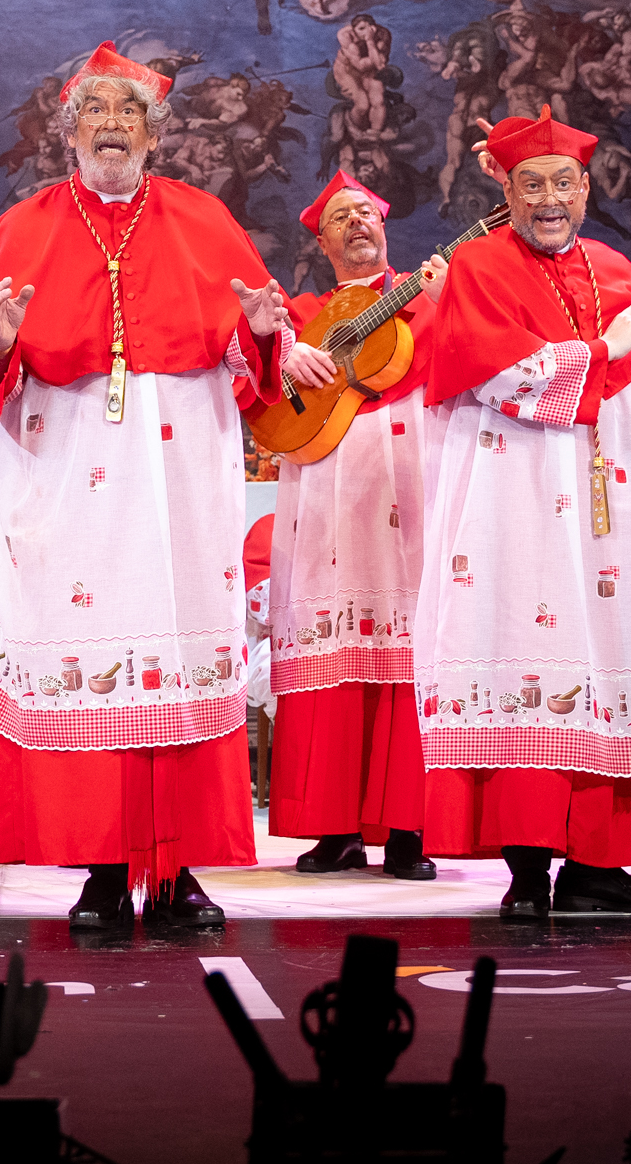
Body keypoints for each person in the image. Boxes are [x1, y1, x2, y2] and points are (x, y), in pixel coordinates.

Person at [0, 41, 297, 929]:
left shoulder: (203, 217)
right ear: (69, 131)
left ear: (153, 133)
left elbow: (255, 353)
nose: (112, 125)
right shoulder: (21, 226)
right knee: (85, 655)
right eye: (96, 111)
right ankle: (100, 869)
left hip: (177, 475)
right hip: (63, 478)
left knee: (178, 651)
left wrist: (259, 332)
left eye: (129, 112)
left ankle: (176, 869)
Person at [412, 107, 631, 919]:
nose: (549, 200)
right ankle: (527, 873)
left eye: (563, 183)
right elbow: (496, 375)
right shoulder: (479, 265)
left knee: (613, 654)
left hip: (614, 505)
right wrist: (600, 352)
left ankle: (598, 866)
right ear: (507, 194)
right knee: (530, 658)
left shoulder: (615, 267)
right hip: (518, 498)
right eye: (531, 185)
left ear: (586, 189)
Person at [252, 172, 449, 881]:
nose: (357, 222)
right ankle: (333, 828)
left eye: (366, 211)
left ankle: (409, 827)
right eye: (341, 216)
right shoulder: (302, 316)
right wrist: (276, 348)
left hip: (409, 483)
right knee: (328, 654)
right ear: (322, 240)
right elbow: (253, 376)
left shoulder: (425, 297)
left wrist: (446, 300)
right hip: (324, 493)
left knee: (409, 651)